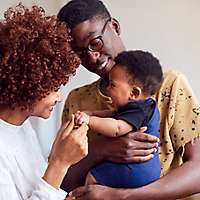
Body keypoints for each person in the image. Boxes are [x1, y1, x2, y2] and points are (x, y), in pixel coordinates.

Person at [58, 0, 200, 199]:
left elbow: (198, 168)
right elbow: (62, 179)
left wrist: (122, 196)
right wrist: (100, 150)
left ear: (114, 27)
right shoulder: (77, 101)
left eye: (95, 42)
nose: (91, 58)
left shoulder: (170, 85)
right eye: (80, 52)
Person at [0, 3, 88, 200]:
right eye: (55, 88)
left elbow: (38, 187)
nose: (59, 97)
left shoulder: (22, 126)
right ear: (28, 83)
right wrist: (59, 163)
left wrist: (59, 151)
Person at [75, 50, 162, 188]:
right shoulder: (143, 107)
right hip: (146, 169)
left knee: (92, 177)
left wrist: (89, 120)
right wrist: (92, 113)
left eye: (112, 84)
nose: (108, 89)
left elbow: (116, 128)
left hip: (136, 169)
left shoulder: (138, 110)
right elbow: (111, 114)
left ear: (134, 92)